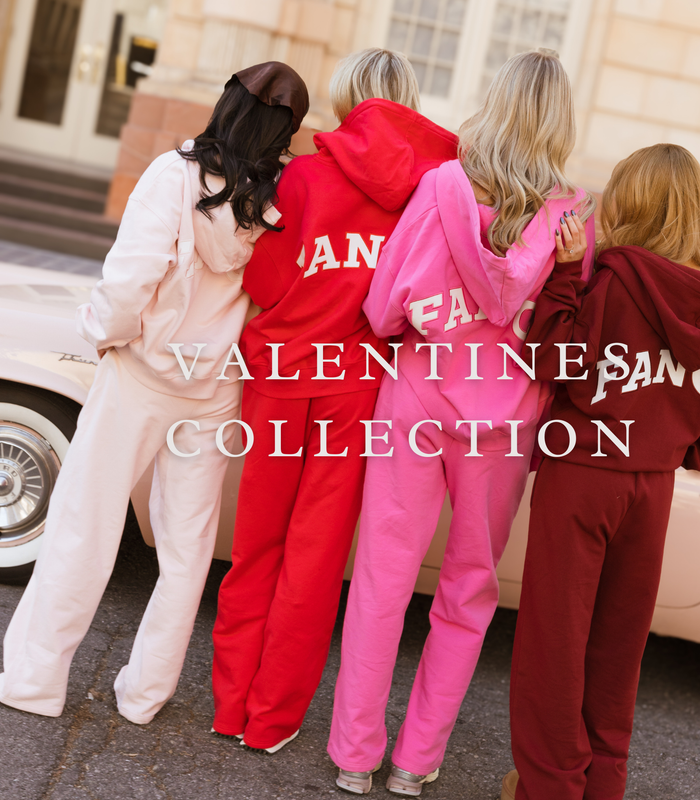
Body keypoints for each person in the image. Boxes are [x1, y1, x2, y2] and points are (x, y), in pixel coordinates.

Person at [0, 62, 309, 725]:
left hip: (140, 375)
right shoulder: (275, 203)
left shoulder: (174, 175)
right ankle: (145, 695)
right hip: (215, 388)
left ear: (227, 106)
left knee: (84, 523)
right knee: (186, 548)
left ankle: (34, 681)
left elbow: (129, 281)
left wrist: (102, 335)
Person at [327, 49, 595, 796]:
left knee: (382, 576)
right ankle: (415, 764)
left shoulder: (441, 186)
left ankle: (354, 755)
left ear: (495, 104)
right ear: (560, 123)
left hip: (417, 396)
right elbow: (564, 330)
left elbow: (383, 309)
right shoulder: (572, 221)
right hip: (504, 424)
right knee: (469, 589)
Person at [210, 48, 458, 755]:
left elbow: (265, 280)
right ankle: (274, 719)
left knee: (257, 546)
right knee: (315, 560)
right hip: (356, 387)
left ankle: (232, 707)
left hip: (281, 378)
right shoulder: (429, 191)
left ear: (349, 97)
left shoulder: (305, 175)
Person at [502, 143, 700, 800]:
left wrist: (564, 276)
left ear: (629, 203)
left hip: (584, 472)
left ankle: (550, 788)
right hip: (653, 487)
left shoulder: (613, 281)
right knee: (618, 649)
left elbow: (554, 360)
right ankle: (602, 785)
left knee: (555, 643)